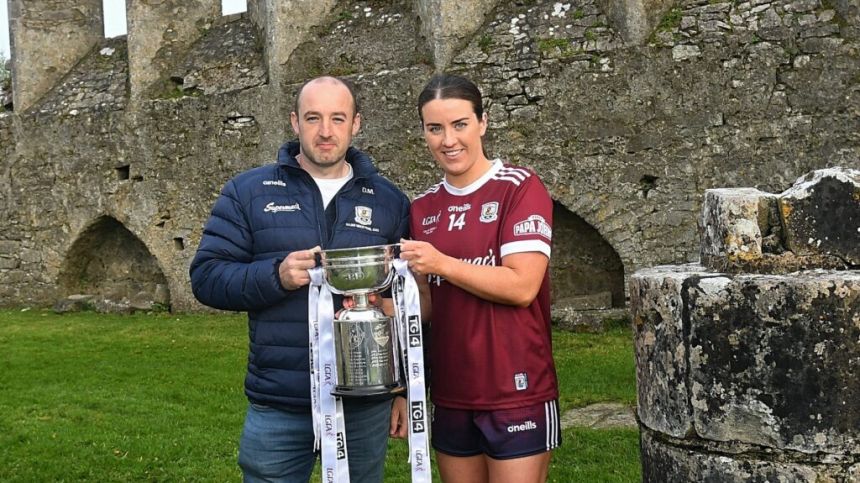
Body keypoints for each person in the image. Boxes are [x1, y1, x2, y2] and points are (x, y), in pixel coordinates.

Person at [190, 76, 410, 482]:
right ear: (294, 122)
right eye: (313, 118)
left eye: (337, 118)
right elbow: (206, 278)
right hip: (280, 403)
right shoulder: (248, 191)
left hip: (363, 404)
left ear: (356, 123)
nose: (325, 131)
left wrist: (403, 390)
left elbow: (408, 301)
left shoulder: (389, 200)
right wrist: (276, 276)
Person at [400, 74, 561, 483]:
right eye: (435, 128)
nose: (448, 140)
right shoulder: (422, 208)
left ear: (482, 123)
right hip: (451, 392)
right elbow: (430, 305)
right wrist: (381, 307)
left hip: (515, 389)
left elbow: (522, 286)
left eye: (460, 124)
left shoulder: (519, 188)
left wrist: (443, 263)